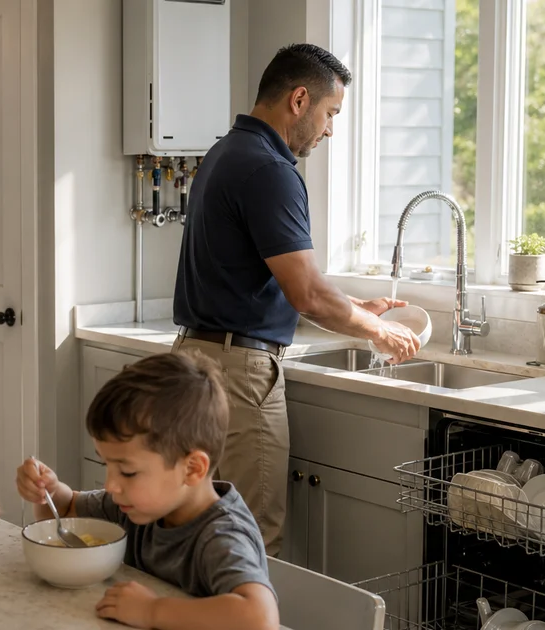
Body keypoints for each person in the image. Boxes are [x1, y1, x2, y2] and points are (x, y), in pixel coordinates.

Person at [171, 43, 422, 556]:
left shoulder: (224, 153)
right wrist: (380, 331)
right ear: (300, 99)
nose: (330, 130)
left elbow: (276, 278)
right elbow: (306, 293)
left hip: (194, 361)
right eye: (331, 113)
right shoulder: (271, 170)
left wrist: (356, 310)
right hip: (238, 376)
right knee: (250, 541)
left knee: (193, 531)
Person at [17, 352, 278, 630]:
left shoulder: (220, 537)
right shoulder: (137, 506)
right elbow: (68, 511)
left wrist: (152, 610)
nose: (110, 485)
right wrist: (48, 492)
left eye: (128, 472)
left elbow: (261, 619)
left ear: (192, 469)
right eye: (106, 465)